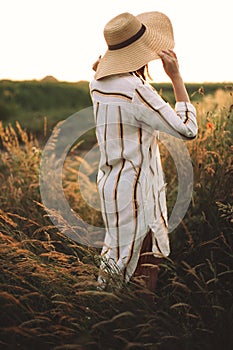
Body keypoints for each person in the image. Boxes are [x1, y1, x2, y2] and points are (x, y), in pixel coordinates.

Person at [90, 11, 198, 291]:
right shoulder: (136, 89)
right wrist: (176, 77)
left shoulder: (97, 83)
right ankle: (140, 327)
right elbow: (188, 129)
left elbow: (103, 76)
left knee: (117, 257)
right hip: (137, 191)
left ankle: (104, 316)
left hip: (111, 187)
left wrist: (101, 67)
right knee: (144, 266)